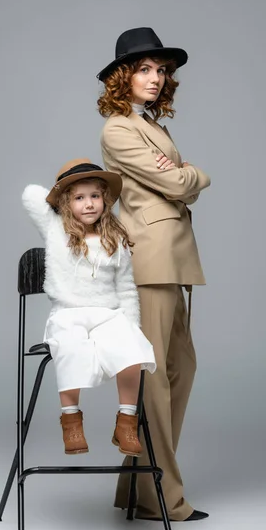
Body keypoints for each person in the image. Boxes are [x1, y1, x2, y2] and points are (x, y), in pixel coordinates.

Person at [97, 27, 211, 521]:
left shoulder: (152, 126)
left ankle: (137, 489)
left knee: (176, 369)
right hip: (151, 258)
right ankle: (163, 497)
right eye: (145, 69)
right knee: (156, 378)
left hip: (171, 257)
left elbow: (175, 183)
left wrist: (182, 179)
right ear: (123, 76)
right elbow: (177, 183)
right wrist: (196, 175)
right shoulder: (119, 129)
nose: (156, 77)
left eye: (162, 70)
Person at [21, 158, 156, 456]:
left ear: (105, 200)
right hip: (68, 313)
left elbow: (125, 287)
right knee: (69, 349)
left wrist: (131, 325)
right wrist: (59, 195)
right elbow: (30, 195)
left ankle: (126, 422)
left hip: (109, 313)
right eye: (79, 198)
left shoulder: (115, 238)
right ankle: (71, 421)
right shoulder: (56, 229)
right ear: (66, 203)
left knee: (133, 350)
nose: (89, 204)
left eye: (95, 196)